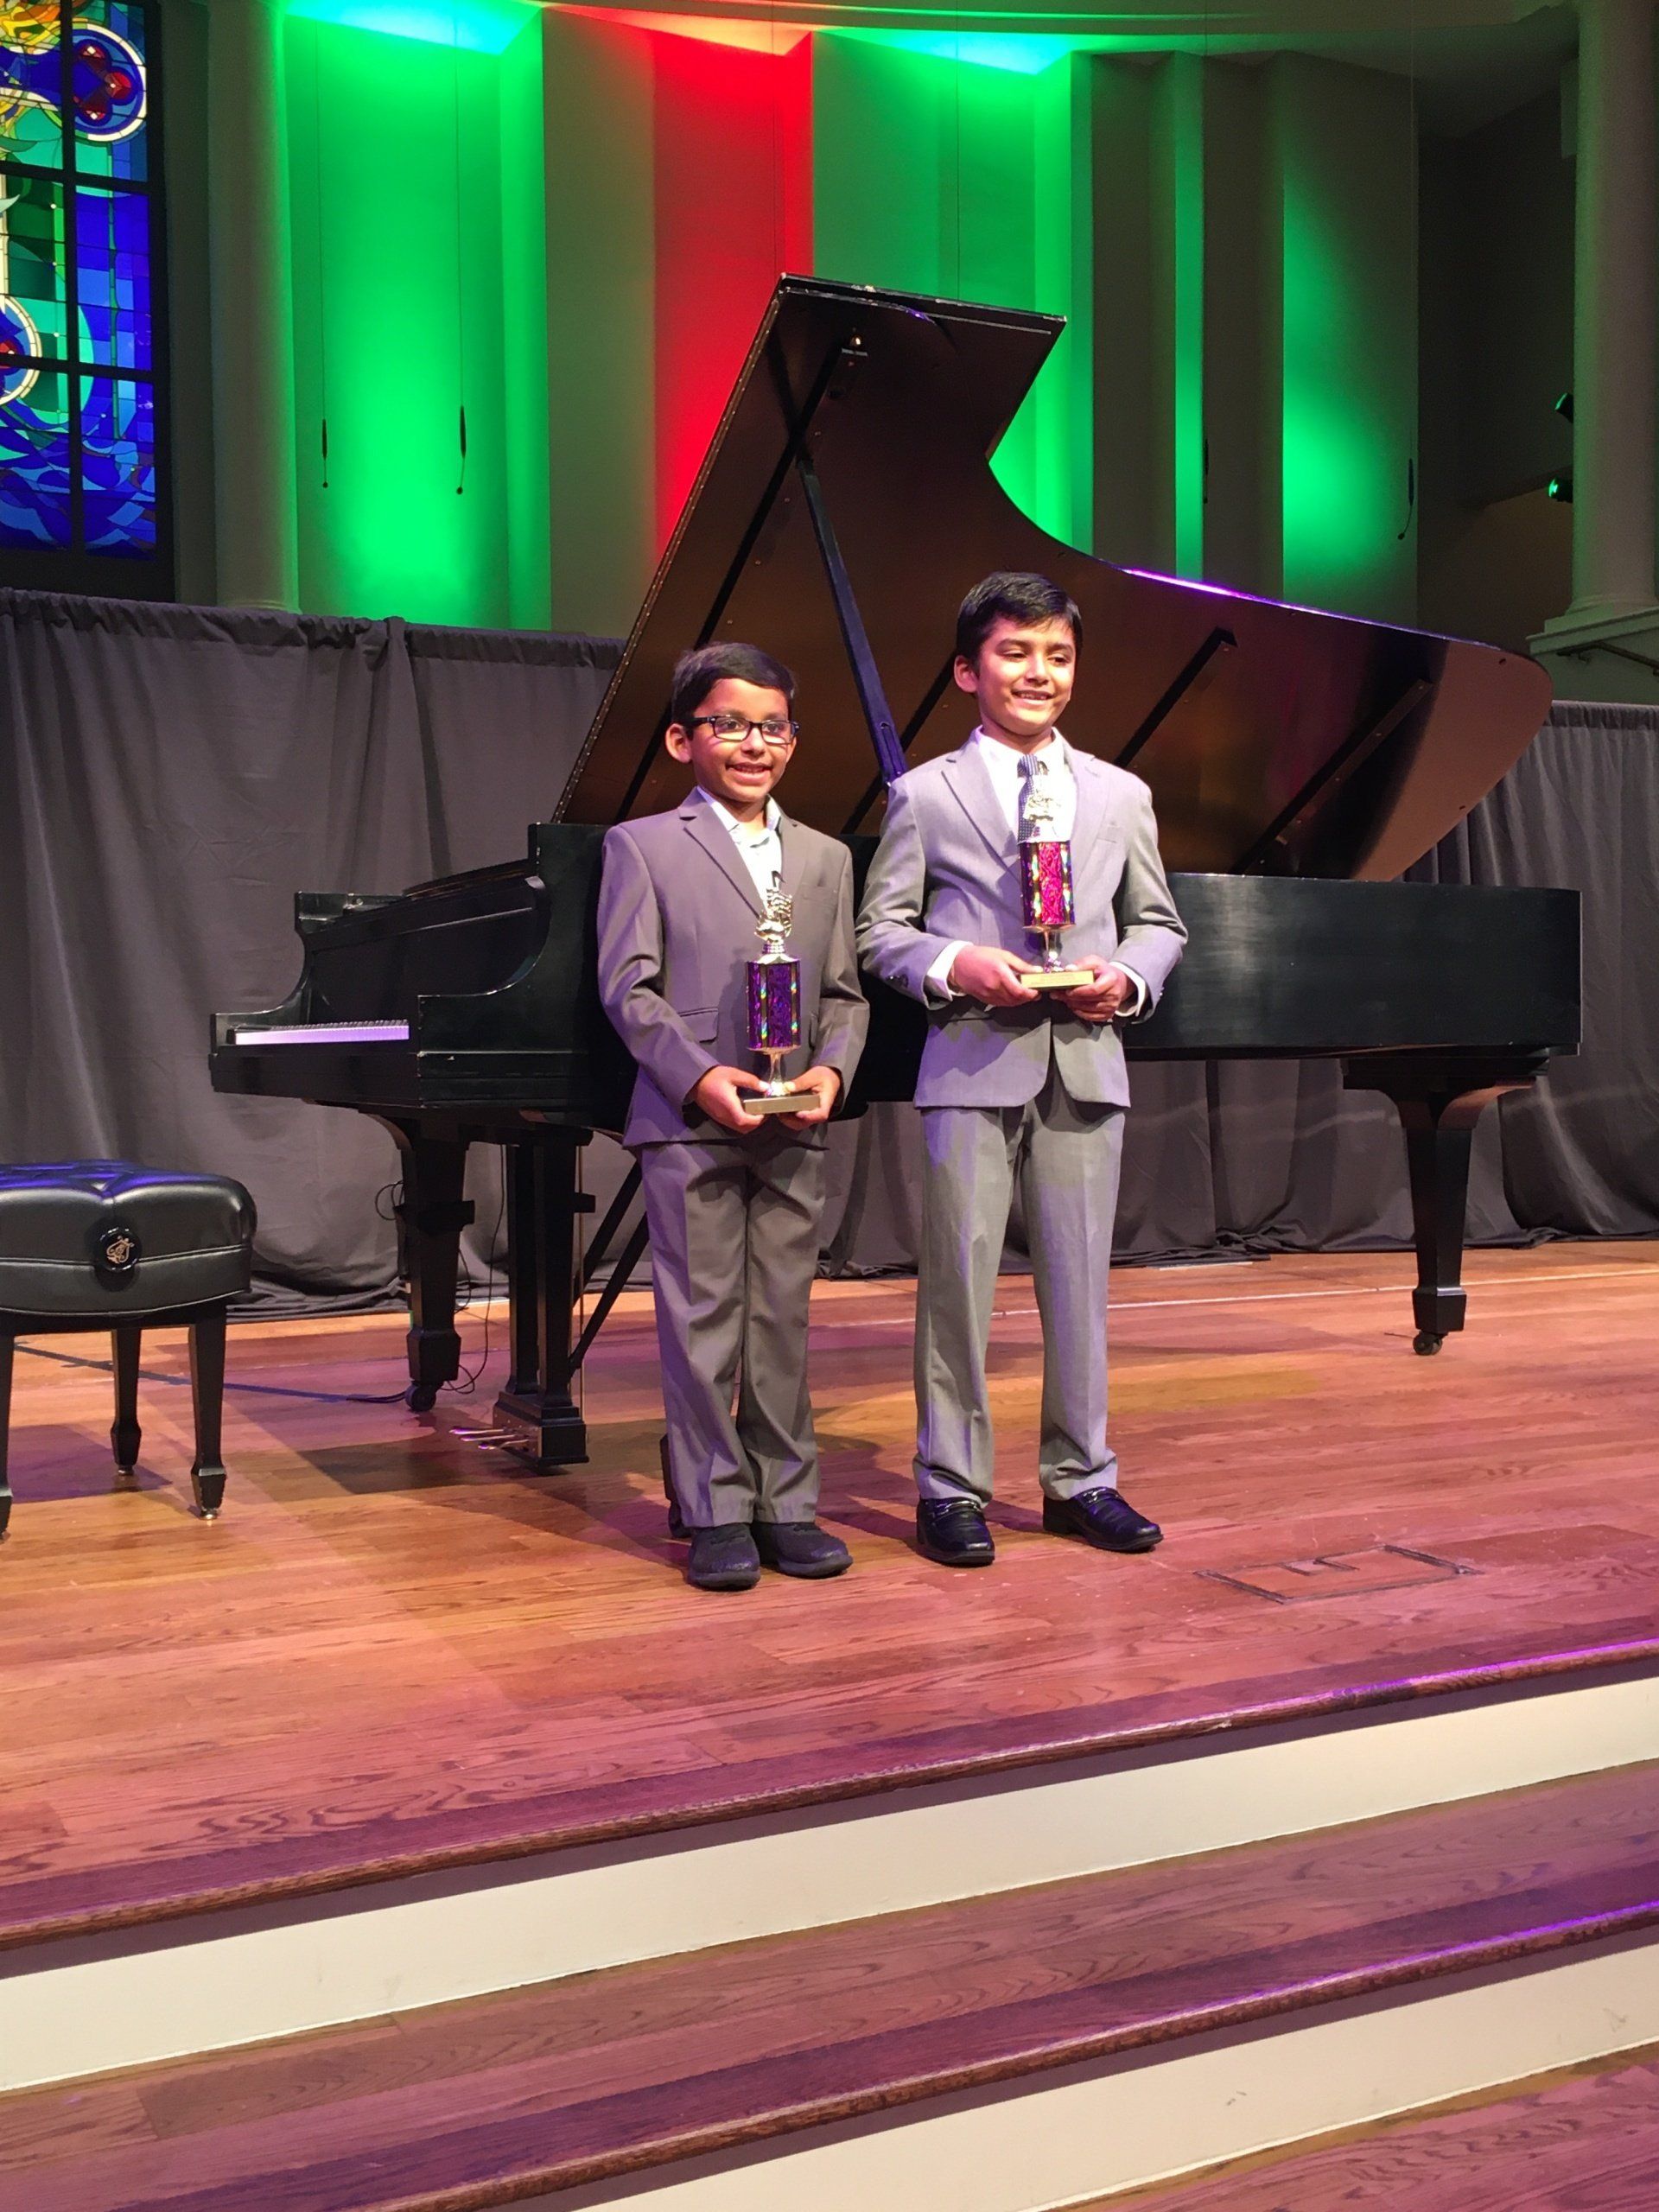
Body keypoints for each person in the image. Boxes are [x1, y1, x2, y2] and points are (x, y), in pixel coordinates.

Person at [856, 572, 1186, 1568]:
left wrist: (1124, 982)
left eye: (1057, 655)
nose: (1038, 672)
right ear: (968, 669)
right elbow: (882, 933)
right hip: (972, 1063)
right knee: (955, 1284)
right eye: (1015, 652)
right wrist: (959, 964)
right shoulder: (923, 795)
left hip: (1085, 1064)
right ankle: (950, 1487)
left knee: (1081, 1285)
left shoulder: (1122, 795)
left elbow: (1159, 924)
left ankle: (1082, 1479)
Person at [596, 642, 868, 1592]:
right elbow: (629, 990)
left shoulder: (827, 857)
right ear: (684, 738)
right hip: (693, 1119)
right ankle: (714, 1505)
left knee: (782, 1319)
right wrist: (701, 1077)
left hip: (795, 1118)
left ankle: (787, 1503)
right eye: (730, 724)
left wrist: (832, 1071)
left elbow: (845, 993)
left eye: (773, 726)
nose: (754, 742)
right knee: (704, 1315)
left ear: (794, 739)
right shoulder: (643, 845)